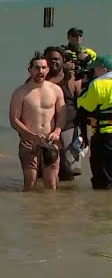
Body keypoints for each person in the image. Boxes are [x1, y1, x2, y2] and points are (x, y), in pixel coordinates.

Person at [9, 54, 66, 191]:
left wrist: (57, 131)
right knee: (30, 182)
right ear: (30, 70)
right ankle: (29, 212)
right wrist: (29, 134)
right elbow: (14, 119)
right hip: (29, 141)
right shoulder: (20, 92)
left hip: (50, 140)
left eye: (43, 68)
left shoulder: (56, 90)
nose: (40, 71)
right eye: (37, 68)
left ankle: (49, 211)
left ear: (47, 70)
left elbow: (62, 114)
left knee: (51, 183)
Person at [42, 46, 84, 181]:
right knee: (44, 167)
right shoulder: (37, 79)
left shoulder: (73, 80)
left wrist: (84, 133)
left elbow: (83, 106)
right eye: (49, 59)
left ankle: (68, 198)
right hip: (46, 128)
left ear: (63, 60)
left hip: (69, 127)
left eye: (56, 59)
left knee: (68, 168)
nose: (53, 62)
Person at [76, 54, 112, 189]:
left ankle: (101, 207)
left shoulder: (98, 84)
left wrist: (81, 94)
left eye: (95, 69)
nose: (94, 72)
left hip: (105, 135)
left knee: (102, 176)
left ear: (103, 69)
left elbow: (86, 105)